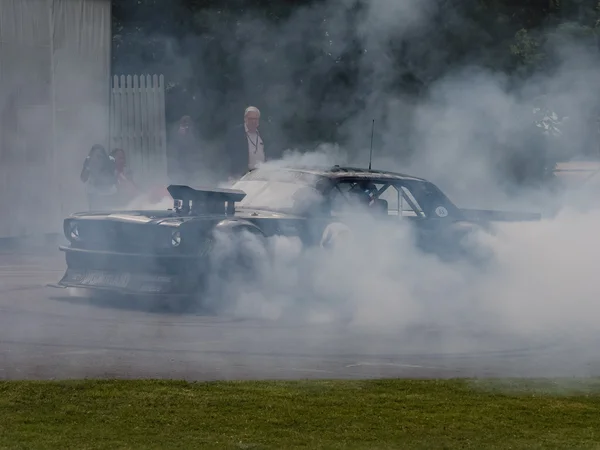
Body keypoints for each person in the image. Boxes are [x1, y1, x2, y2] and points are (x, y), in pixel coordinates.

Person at [224, 106, 267, 180]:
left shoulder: (263, 133)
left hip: (261, 176)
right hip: (241, 176)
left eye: (255, 119)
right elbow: (229, 154)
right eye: (251, 119)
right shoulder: (236, 133)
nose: (253, 121)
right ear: (245, 119)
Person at [80, 144, 117, 210]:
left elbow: (111, 181)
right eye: (94, 156)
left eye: (100, 157)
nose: (97, 159)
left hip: (108, 197)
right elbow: (83, 179)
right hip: (93, 199)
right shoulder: (89, 164)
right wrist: (88, 166)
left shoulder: (109, 165)